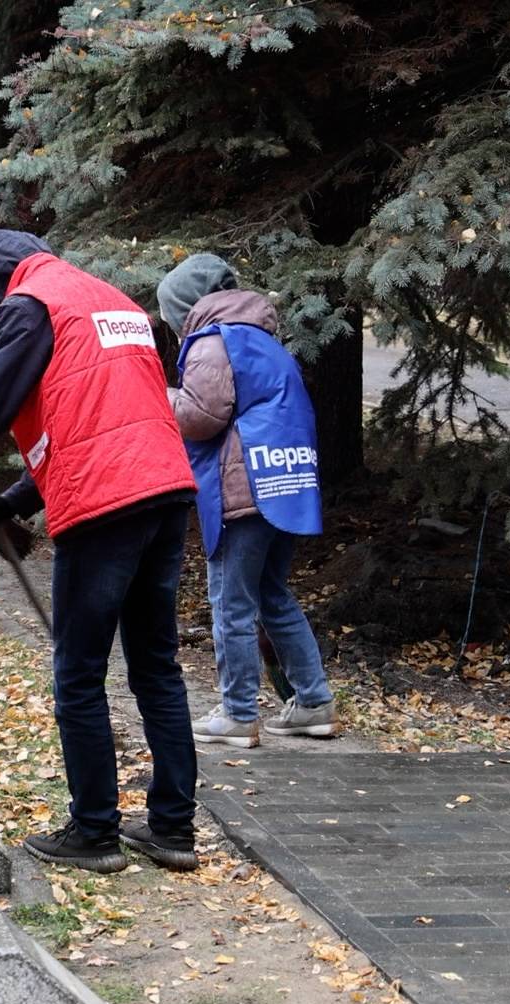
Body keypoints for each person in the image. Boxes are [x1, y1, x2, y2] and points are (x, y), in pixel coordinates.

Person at [0, 229, 201, 874]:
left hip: (106, 504)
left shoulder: (30, 304)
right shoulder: (103, 298)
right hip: (165, 487)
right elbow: (99, 417)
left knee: (79, 674)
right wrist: (12, 501)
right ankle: (173, 829)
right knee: (156, 667)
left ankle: (94, 831)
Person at [156, 254, 334, 748]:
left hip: (245, 489)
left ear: (187, 306)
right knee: (273, 595)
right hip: (284, 484)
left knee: (230, 604)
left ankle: (237, 713)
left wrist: (160, 394)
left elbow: (200, 416)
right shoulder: (260, 339)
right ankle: (314, 702)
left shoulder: (214, 342)